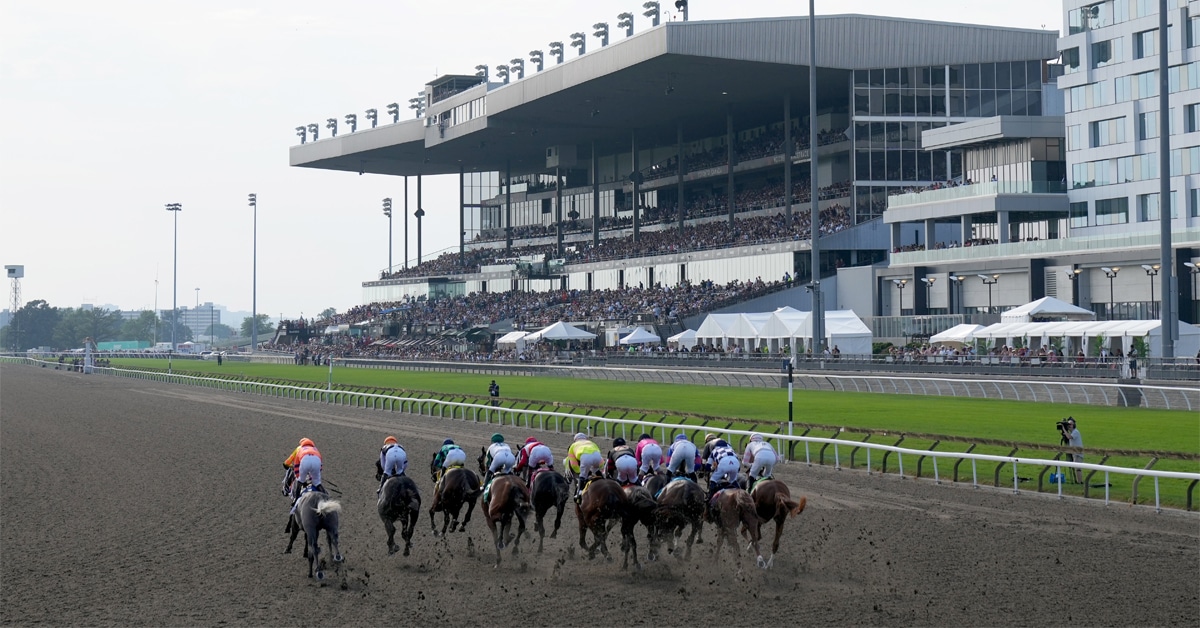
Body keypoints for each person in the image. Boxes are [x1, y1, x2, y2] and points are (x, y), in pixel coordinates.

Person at [285, 437, 324, 504]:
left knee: (300, 480)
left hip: (305, 460)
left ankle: (296, 499)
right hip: (317, 461)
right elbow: (320, 466)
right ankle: (326, 497)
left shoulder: (300, 449)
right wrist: (313, 478)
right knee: (317, 483)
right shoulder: (315, 449)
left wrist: (299, 477)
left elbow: (296, 466)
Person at [566, 432, 603, 501]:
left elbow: (573, 464)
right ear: (585, 439)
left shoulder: (573, 445)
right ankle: (604, 481)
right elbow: (601, 462)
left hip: (586, 457)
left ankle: (579, 492)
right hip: (597, 457)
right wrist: (597, 468)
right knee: (596, 470)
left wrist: (581, 472)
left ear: (575, 440)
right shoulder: (591, 443)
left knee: (582, 475)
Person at [482, 433, 516, 504]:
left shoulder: (491, 446)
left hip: (499, 457)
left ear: (492, 441)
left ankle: (484, 486)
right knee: (507, 472)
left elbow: (487, 461)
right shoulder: (506, 445)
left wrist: (487, 470)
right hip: (511, 458)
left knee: (490, 471)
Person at [1059, 417, 1084, 484]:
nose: (1069, 426)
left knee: (1078, 469)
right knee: (1077, 468)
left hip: (1078, 453)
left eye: (1071, 424)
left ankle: (1080, 482)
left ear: (1074, 425)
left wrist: (1064, 429)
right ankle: (1079, 481)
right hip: (1075, 452)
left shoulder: (1075, 432)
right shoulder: (1072, 432)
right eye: (1068, 424)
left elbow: (1069, 437)